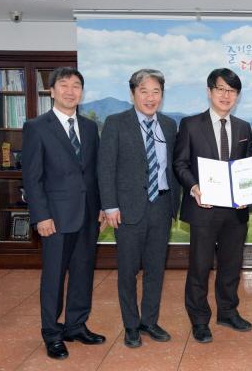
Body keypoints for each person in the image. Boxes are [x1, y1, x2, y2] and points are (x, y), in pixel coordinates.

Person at [22, 67, 106, 360]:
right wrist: (41, 216)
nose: (71, 91)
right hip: (55, 218)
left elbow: (94, 172)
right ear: (52, 91)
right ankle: (52, 334)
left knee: (83, 273)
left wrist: (101, 207)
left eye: (76, 86)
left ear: (82, 92)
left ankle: (76, 326)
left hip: (87, 215)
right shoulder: (36, 127)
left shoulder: (90, 127)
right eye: (64, 85)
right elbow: (32, 177)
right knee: (54, 278)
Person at [98, 69, 180, 348]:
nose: (150, 97)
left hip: (161, 206)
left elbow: (173, 166)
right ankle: (131, 326)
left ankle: (150, 322)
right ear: (133, 93)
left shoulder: (168, 125)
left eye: (156, 91)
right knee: (128, 271)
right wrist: (110, 206)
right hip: (127, 209)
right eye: (144, 91)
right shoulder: (116, 123)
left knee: (156, 270)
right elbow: (105, 167)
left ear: (162, 95)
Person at [173, 68, 252, 343]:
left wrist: (248, 192)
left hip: (236, 211)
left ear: (237, 96)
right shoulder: (190, 124)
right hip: (203, 208)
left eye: (231, 91)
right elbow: (180, 163)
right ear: (209, 92)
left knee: (231, 266)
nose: (225, 95)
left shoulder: (243, 127)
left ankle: (228, 312)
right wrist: (194, 187)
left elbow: (249, 166)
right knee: (200, 267)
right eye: (220, 89)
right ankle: (199, 319)